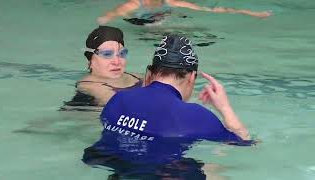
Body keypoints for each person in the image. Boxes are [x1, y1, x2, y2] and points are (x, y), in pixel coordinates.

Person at [82, 35, 253, 179]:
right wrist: (224, 107)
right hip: (160, 174)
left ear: (149, 73)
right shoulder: (196, 116)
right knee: (218, 171)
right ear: (192, 77)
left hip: (113, 168)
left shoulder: (118, 100)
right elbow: (244, 143)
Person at [61, 26, 143, 112]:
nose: (117, 61)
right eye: (107, 54)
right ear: (90, 61)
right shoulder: (91, 86)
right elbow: (121, 108)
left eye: (122, 53)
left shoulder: (135, 76)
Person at [97, 0, 272, 25]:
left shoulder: (171, 2)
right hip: (143, 24)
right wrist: (105, 18)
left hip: (164, 19)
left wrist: (251, 13)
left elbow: (210, 10)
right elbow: (111, 15)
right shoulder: (133, 5)